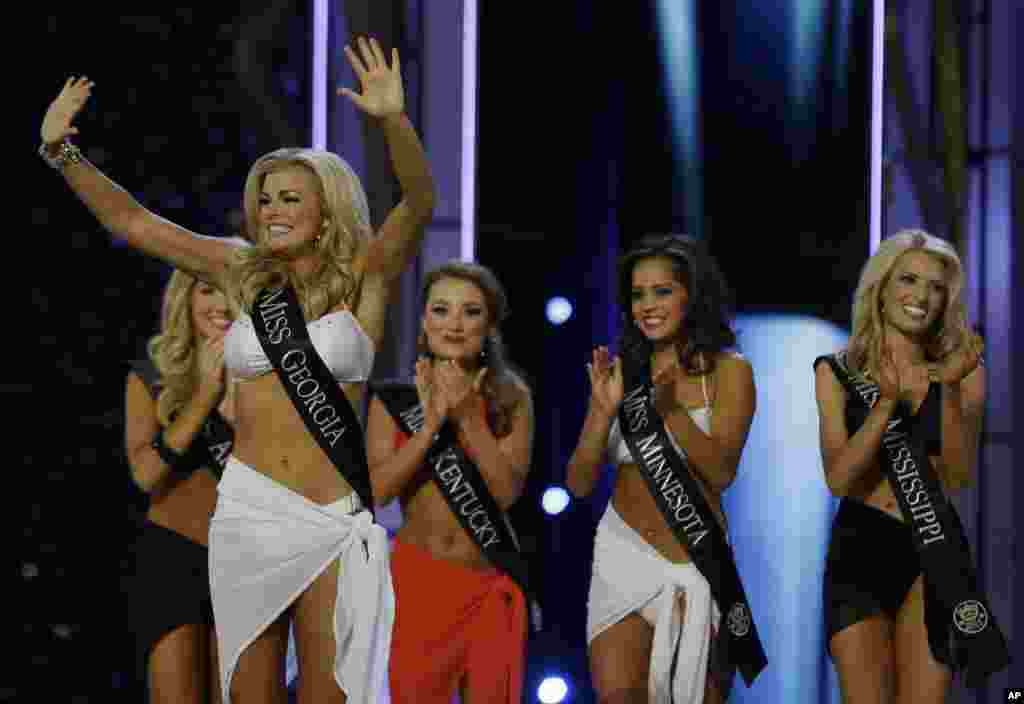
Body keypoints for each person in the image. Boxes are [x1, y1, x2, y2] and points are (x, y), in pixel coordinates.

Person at [40, 36, 434, 704]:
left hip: (332, 515)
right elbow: (133, 221)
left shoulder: (365, 277)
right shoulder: (236, 270)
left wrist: (393, 120)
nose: (272, 211)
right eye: (266, 199)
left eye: (289, 199)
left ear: (326, 210)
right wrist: (61, 152)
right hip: (249, 512)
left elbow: (420, 200)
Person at [567, 234, 761, 703]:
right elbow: (578, 483)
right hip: (623, 555)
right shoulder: (622, 373)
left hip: (697, 561)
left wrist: (670, 410)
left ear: (691, 295)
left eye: (662, 291)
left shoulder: (729, 372)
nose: (647, 305)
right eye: (637, 294)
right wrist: (601, 411)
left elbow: (721, 472)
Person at [815, 229, 1004, 702]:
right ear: (881, 289)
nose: (921, 296)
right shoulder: (836, 371)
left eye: (936, 287)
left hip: (932, 551)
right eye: (909, 280)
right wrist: (886, 405)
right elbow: (839, 479)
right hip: (860, 548)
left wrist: (956, 390)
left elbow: (959, 476)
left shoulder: (967, 372)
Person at [365, 261, 533, 703]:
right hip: (419, 584)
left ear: (489, 323)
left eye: (471, 312)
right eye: (441, 310)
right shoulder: (393, 401)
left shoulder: (511, 397)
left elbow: (506, 493)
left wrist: (468, 419)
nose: (455, 324)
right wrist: (427, 430)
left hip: (489, 584)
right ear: (423, 321)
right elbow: (377, 492)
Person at [124, 270, 235, 703]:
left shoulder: (266, 378)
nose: (221, 304)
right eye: (208, 289)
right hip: (174, 558)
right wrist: (204, 395)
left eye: (233, 291)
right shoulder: (153, 372)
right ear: (185, 298)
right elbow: (145, 475)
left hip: (247, 562)